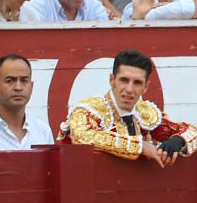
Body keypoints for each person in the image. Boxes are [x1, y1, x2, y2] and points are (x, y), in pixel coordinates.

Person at [58, 49, 197, 166]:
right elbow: (84, 136)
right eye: (124, 80)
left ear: (145, 87)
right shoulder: (88, 110)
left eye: (137, 82)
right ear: (112, 80)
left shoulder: (144, 113)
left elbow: (191, 131)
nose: (129, 89)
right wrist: (141, 147)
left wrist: (178, 141)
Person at [0, 55, 54, 150]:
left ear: (31, 87)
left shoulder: (42, 131)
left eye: (24, 80)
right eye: (9, 81)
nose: (18, 87)